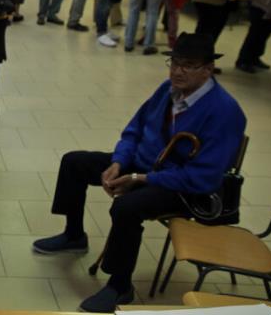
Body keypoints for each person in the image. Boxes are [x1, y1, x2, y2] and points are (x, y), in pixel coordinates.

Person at [33, 32, 246, 313]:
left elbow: (203, 177)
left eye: (188, 65)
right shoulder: (166, 90)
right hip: (146, 166)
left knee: (127, 208)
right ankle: (74, 235)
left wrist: (142, 179)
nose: (177, 71)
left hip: (183, 187)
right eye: (174, 62)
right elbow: (134, 130)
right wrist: (119, 163)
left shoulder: (225, 111)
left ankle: (120, 285)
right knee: (74, 162)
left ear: (208, 69)